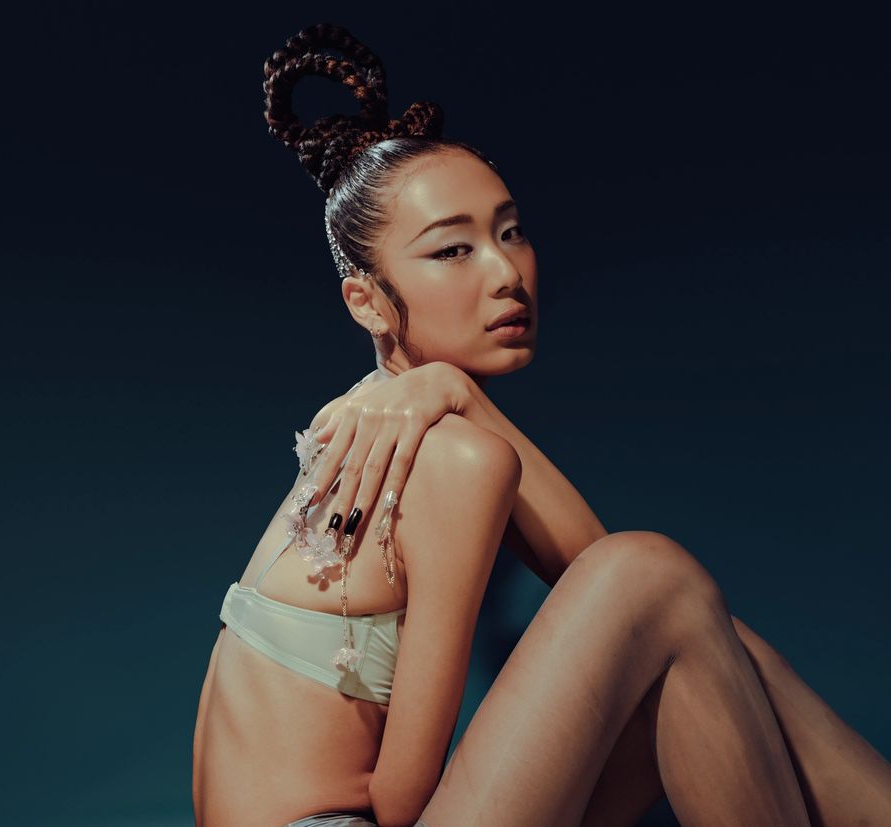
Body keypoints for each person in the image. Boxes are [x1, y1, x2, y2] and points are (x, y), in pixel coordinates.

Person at [191, 23, 891, 827]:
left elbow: (616, 593)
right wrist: (458, 398)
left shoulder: (383, 416)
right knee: (654, 575)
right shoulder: (447, 459)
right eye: (453, 250)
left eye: (510, 231)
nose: (506, 272)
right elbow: (400, 800)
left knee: (694, 626)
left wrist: (455, 389)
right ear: (368, 301)